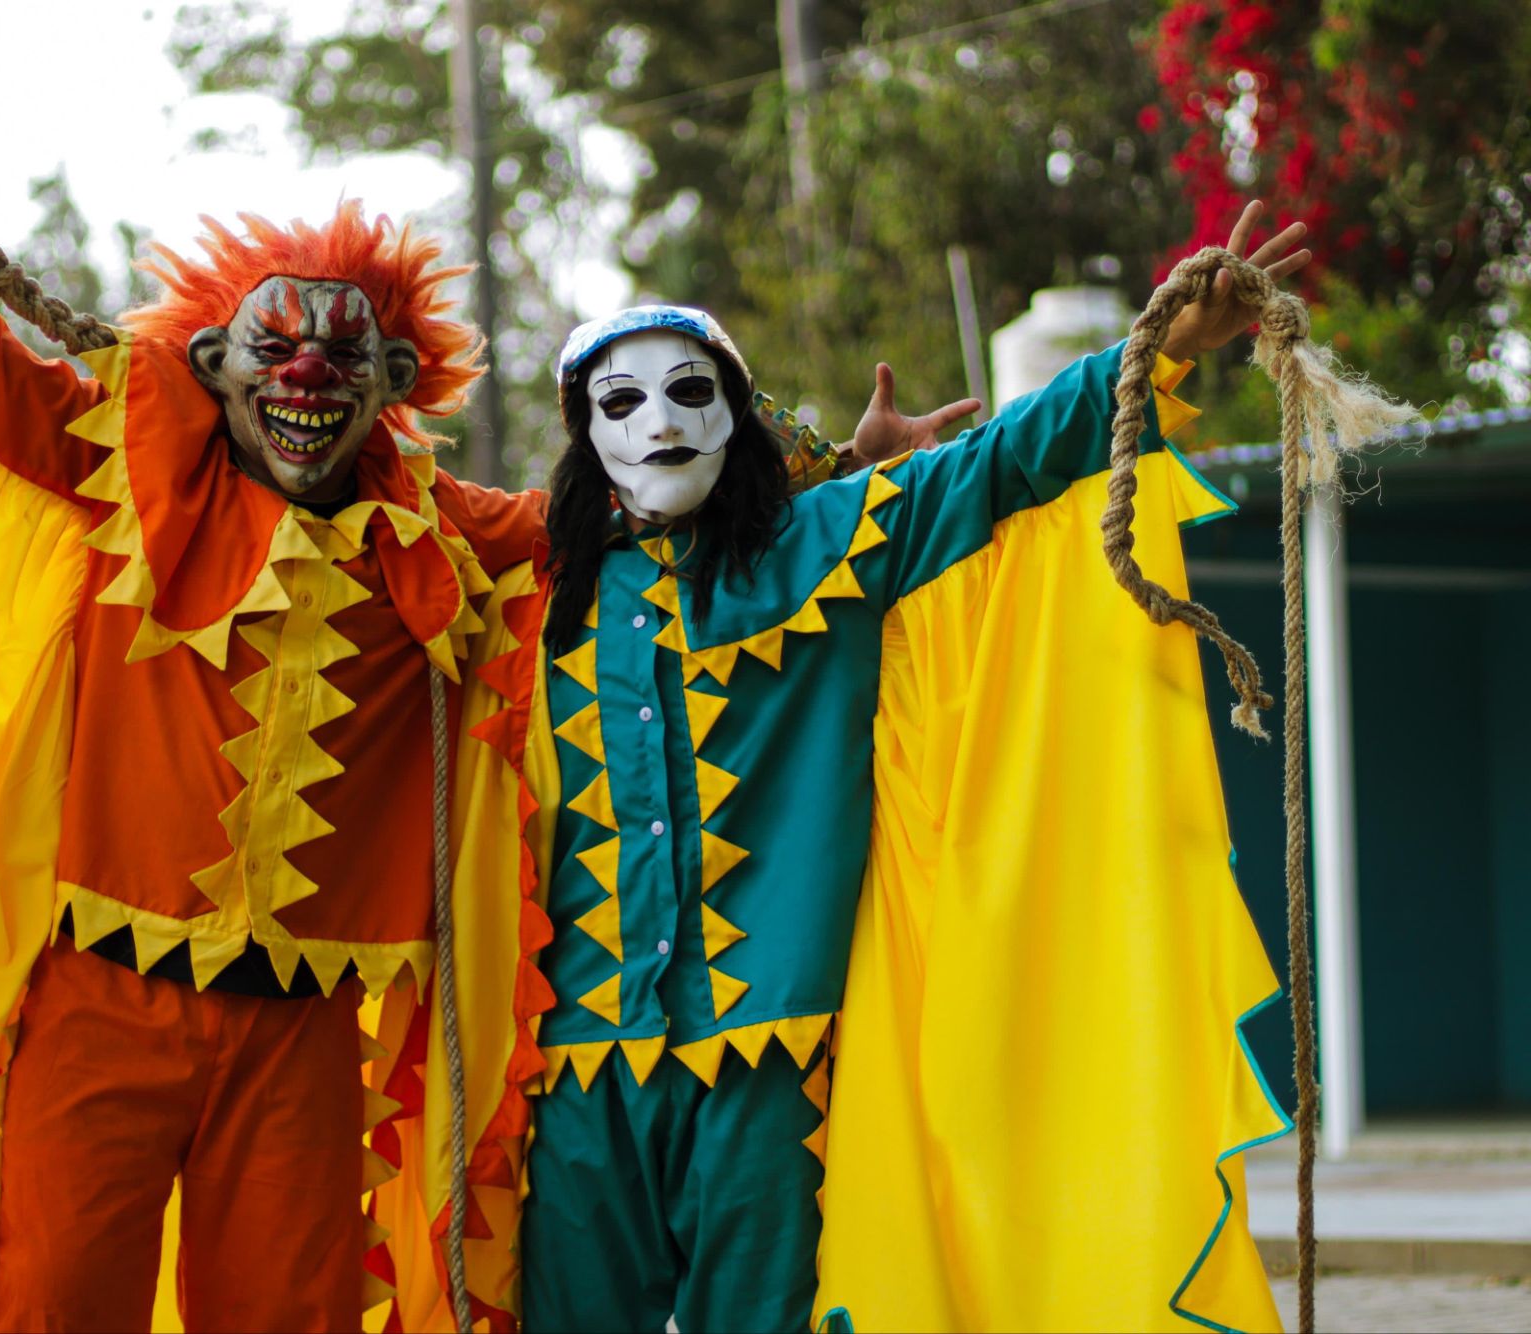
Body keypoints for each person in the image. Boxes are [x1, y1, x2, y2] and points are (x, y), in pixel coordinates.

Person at [0, 45, 972, 1334]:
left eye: (345, 356)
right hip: (99, 1003)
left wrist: (823, 469)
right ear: (214, 362)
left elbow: (630, 504)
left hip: (302, 1033)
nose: (307, 375)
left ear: (395, 387)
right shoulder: (124, 467)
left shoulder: (444, 534)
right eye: (276, 347)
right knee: (57, 1305)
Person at [481, 203, 1312, 1334]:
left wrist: (1155, 348)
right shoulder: (531, 589)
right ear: (585, 434)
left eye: (690, 391)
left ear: (735, 413)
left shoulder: (827, 542)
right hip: (581, 1062)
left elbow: (994, 466)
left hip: (773, 1064)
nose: (659, 421)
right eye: (619, 402)